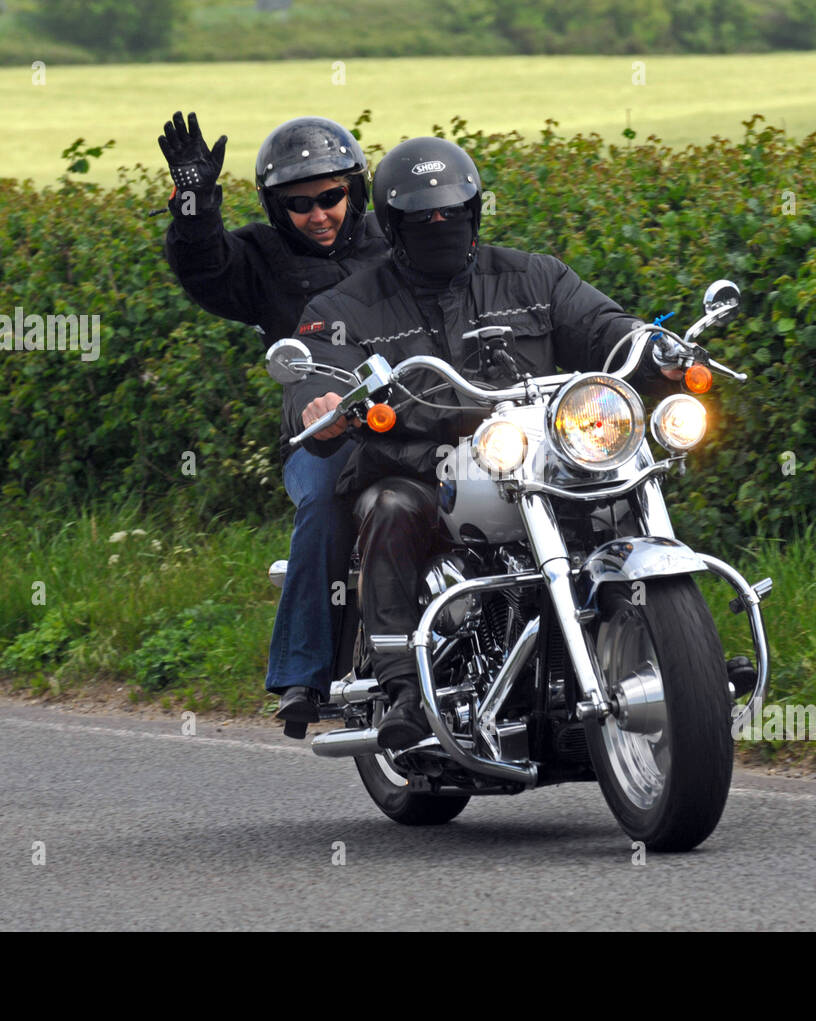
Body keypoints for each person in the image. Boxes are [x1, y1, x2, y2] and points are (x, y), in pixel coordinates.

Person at [286, 137, 681, 750]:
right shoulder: (347, 306)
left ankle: (673, 653)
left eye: (452, 214)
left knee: (624, 484)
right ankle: (401, 689)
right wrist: (323, 404)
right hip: (420, 466)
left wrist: (653, 346)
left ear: (474, 213)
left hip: (540, 460)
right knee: (389, 507)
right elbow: (318, 370)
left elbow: (602, 326)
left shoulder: (535, 275)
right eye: (423, 220)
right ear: (394, 228)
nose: (439, 227)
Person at [158, 111, 390, 738]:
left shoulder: (396, 239)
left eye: (331, 196)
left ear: (356, 190)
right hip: (325, 428)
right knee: (323, 500)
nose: (318, 214)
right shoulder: (259, 258)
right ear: (274, 207)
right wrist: (195, 206)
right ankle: (303, 675)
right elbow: (203, 268)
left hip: (425, 414)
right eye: (298, 204)